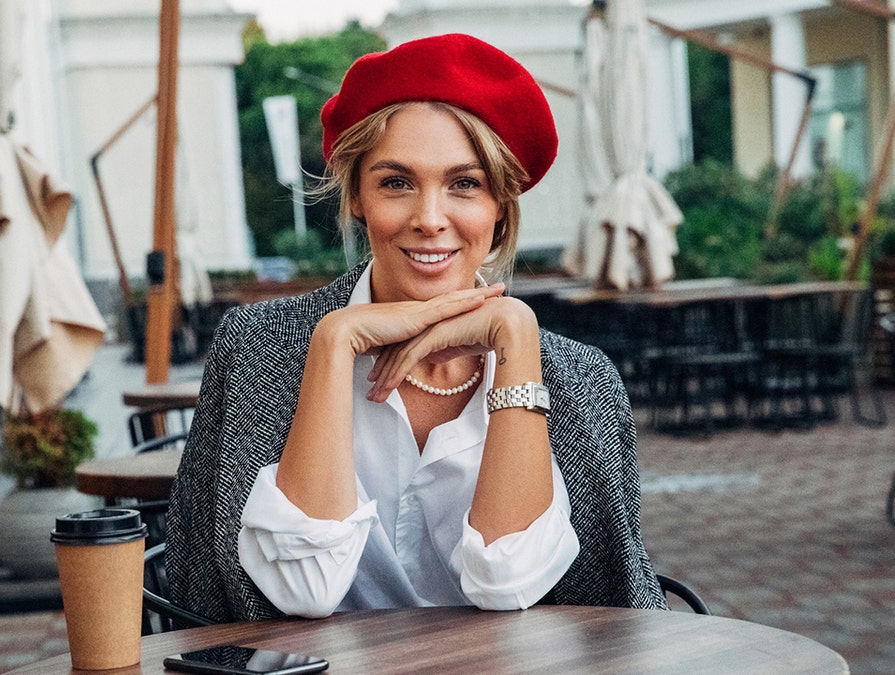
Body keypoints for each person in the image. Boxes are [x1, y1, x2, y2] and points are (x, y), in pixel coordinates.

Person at [167, 33, 666, 623]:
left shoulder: (579, 379)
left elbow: (508, 585)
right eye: (396, 182)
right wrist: (332, 342)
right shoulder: (258, 345)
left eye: (466, 184)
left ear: (500, 205)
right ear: (356, 196)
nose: (430, 219)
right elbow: (302, 592)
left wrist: (517, 336)